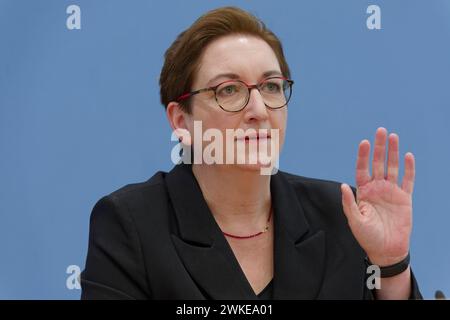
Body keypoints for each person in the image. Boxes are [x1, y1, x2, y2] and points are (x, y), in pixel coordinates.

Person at [81, 6, 422, 299]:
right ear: (181, 121)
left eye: (271, 86)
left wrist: (390, 264)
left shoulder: (342, 214)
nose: (258, 109)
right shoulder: (132, 225)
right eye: (229, 90)